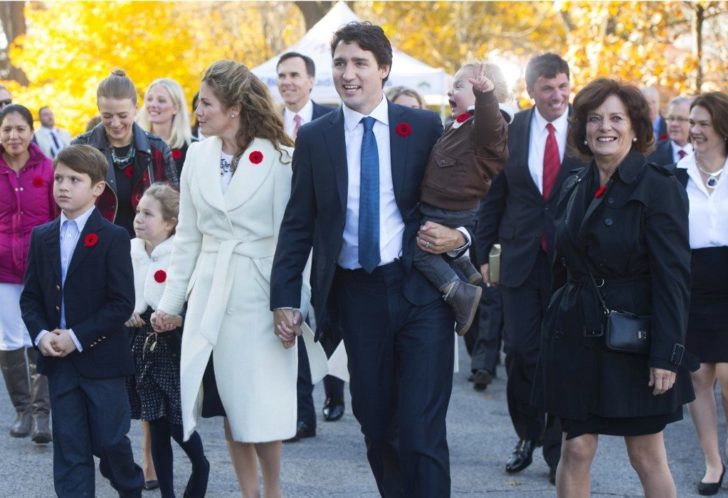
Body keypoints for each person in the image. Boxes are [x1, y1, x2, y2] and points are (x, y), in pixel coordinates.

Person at [271, 22, 468, 497]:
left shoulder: (421, 127)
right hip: (357, 297)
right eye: (340, 63)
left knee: (421, 430)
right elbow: (298, 224)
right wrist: (284, 296)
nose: (348, 73)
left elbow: (465, 193)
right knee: (378, 428)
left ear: (384, 69)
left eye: (360, 63)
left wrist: (460, 235)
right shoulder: (316, 138)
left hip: (421, 291)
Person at [539, 78, 697, 497]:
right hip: (577, 337)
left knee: (646, 454)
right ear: (583, 129)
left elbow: (673, 278)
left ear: (635, 127)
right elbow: (562, 265)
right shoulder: (574, 183)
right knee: (575, 449)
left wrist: (666, 355)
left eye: (615, 118)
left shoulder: (660, 186)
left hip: (635, 341)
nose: (604, 127)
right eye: (594, 119)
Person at [151, 60, 297, 498]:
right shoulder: (197, 156)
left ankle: (273, 491)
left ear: (234, 109)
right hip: (212, 295)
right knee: (230, 401)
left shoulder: (281, 158)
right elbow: (188, 238)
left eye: (206, 103)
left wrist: (292, 303)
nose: (197, 111)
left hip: (261, 296)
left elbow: (292, 240)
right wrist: (171, 303)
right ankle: (249, 493)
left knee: (262, 403)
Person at [476, 53, 579, 482]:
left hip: (571, 263)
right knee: (520, 352)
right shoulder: (513, 129)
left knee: (564, 357)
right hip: (520, 260)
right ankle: (527, 434)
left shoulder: (587, 128)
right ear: (531, 90)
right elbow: (494, 196)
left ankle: (558, 449)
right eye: (547, 88)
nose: (557, 96)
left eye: (563, 87)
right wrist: (483, 254)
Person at [20, 144, 144, 497]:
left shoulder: (113, 237)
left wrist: (74, 336)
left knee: (110, 441)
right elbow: (30, 298)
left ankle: (130, 487)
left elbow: (121, 303)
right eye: (59, 178)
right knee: (70, 447)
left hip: (102, 361)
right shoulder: (42, 236)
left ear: (97, 188)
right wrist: (42, 335)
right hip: (60, 363)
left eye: (74, 180)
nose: (63, 186)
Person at [276, 51, 345, 437]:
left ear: (311, 81)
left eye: (294, 75)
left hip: (330, 237)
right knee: (295, 319)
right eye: (281, 76)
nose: (287, 82)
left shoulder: (332, 121)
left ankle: (334, 391)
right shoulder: (267, 124)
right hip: (290, 235)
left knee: (329, 317)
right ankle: (302, 411)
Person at [126, 184, 208, 498]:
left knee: (176, 423)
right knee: (155, 423)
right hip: (140, 346)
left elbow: (197, 302)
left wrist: (177, 318)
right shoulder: (130, 251)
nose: (139, 218)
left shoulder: (181, 256)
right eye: (138, 211)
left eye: (148, 214)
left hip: (173, 348)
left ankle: (200, 465)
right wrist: (127, 314)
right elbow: (118, 294)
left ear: (170, 223)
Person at [416, 61, 507, 335]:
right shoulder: (459, 123)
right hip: (445, 203)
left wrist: (485, 95)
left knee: (417, 249)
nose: (450, 92)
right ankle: (464, 264)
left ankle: (457, 291)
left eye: (458, 86)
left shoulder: (484, 125)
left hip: (450, 207)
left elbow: (491, 123)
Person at [674, 91, 728, 496]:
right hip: (693, 283)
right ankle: (713, 462)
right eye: (691, 122)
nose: (693, 130)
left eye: (703, 124)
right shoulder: (677, 174)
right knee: (699, 377)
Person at [0, 104, 54, 444]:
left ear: (31, 132)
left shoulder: (48, 169)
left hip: (39, 268)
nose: (13, 135)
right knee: (9, 340)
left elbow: (56, 216)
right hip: (3, 270)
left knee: (40, 336)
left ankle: (41, 415)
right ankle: (22, 410)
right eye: (7, 129)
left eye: (20, 128)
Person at [72, 69, 178, 237]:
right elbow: (67, 202)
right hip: (94, 243)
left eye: (122, 115)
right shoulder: (81, 148)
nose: (115, 123)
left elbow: (173, 204)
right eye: (107, 116)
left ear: (135, 109)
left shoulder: (157, 149)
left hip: (146, 245)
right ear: (99, 110)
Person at [137, 78, 194, 178]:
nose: (153, 104)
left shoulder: (192, 148)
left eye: (161, 100)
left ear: (176, 108)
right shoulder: (136, 143)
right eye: (149, 99)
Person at [648, 96, 693, 167]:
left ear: (692, 122)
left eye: (680, 119)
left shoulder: (704, 154)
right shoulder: (652, 153)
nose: (674, 124)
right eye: (671, 118)